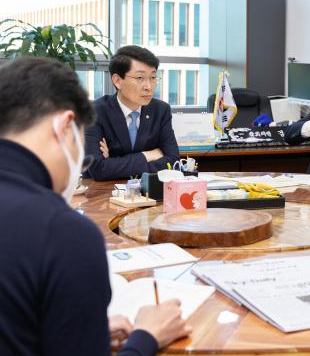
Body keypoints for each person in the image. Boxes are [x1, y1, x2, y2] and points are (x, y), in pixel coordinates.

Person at [0, 57, 191, 355]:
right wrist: (146, 337)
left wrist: (81, 328)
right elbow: (99, 168)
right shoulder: (64, 233)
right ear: (65, 127)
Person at [85, 45, 179, 180]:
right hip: (101, 190)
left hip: (147, 190)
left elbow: (173, 162)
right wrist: (147, 156)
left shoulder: (160, 110)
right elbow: (98, 169)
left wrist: (112, 163)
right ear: (118, 81)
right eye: (140, 78)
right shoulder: (95, 112)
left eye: (153, 77)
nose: (148, 87)